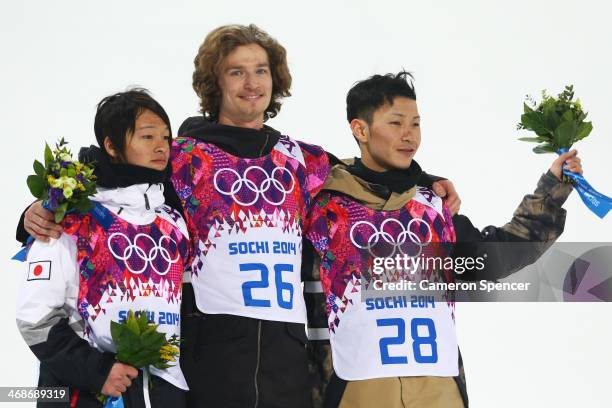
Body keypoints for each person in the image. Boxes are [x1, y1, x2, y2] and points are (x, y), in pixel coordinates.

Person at [18, 25, 459, 408]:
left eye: (261, 70)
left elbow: (363, 177)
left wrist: (428, 181)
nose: (252, 83)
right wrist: (38, 209)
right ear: (216, 83)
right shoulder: (182, 156)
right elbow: (116, 176)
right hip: (209, 350)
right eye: (237, 71)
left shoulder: (302, 160)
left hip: (286, 356)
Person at [303, 71, 582, 408]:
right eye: (396, 123)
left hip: (438, 392)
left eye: (416, 124)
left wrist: (551, 190)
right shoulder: (322, 207)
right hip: (353, 392)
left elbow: (496, 258)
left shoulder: (432, 207)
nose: (409, 135)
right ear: (360, 129)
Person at [16, 89, 190, 407]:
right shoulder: (71, 217)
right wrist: (98, 372)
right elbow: (34, 317)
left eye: (166, 137)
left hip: (164, 394)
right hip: (83, 395)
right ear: (111, 145)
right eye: (147, 136)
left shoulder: (174, 221)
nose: (161, 146)